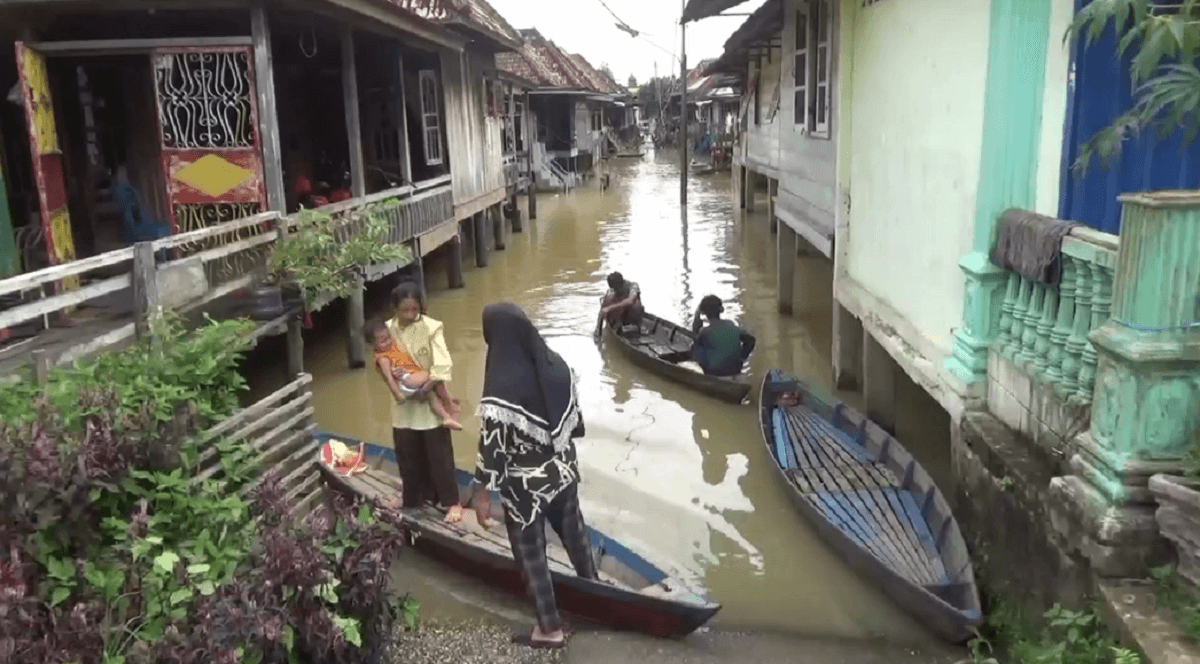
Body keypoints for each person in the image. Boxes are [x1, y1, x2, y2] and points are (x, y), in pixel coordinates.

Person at [471, 303, 598, 650]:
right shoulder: (557, 366)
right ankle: (597, 594)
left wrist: (480, 493)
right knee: (575, 534)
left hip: (526, 489)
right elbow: (577, 424)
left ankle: (550, 629)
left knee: (531, 555)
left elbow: (493, 448)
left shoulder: (501, 382)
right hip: (564, 472)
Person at [386, 281, 464, 524]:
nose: (410, 315)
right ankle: (412, 497)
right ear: (395, 309)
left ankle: (452, 503)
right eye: (404, 310)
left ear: (421, 307)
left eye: (414, 310)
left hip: (428, 398)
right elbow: (383, 362)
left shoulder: (431, 328)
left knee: (439, 456)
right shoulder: (387, 330)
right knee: (407, 454)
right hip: (403, 401)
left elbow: (442, 363)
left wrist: (427, 386)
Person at [366, 318, 462, 431]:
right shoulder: (382, 358)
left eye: (388, 338)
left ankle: (446, 417)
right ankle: (450, 404)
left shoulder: (392, 346)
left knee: (432, 393)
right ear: (373, 345)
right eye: (383, 341)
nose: (388, 342)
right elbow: (389, 378)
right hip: (405, 382)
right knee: (435, 374)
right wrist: (397, 394)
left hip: (410, 376)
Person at [689, 294, 757, 376]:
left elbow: (696, 343)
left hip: (714, 371)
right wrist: (742, 358)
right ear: (721, 309)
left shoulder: (705, 331)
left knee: (694, 347)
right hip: (735, 369)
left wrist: (697, 317)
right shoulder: (730, 324)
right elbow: (751, 340)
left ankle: (708, 374)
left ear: (703, 312)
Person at [593, 271, 644, 338]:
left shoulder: (633, 286)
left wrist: (611, 307)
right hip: (619, 317)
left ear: (621, 284)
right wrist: (598, 330)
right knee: (607, 300)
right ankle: (618, 325)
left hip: (632, 316)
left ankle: (635, 325)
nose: (615, 290)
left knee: (635, 303)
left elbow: (630, 301)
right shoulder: (612, 291)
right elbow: (603, 310)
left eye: (616, 288)